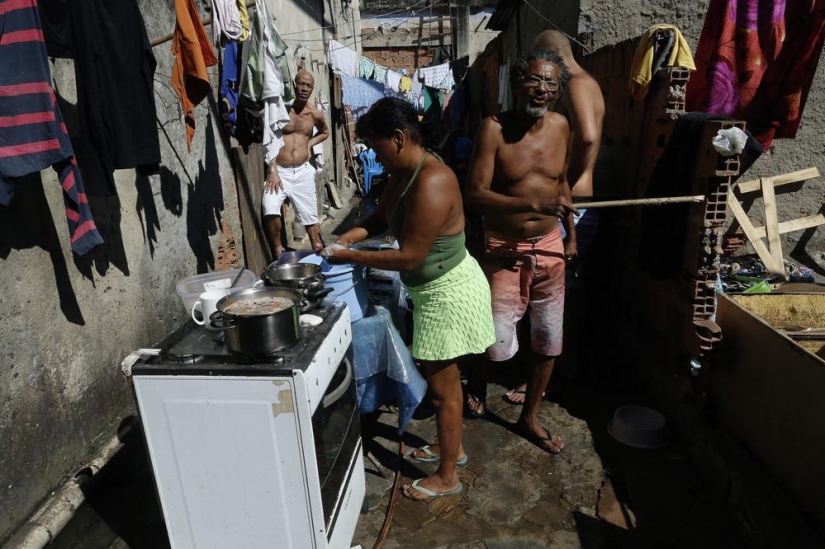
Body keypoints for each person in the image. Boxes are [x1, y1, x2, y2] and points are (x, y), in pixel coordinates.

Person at [321, 97, 495, 500]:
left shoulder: (432, 180)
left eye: (376, 147)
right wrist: (347, 237)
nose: (374, 156)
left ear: (398, 138)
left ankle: (448, 477)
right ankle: (452, 448)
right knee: (443, 382)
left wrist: (349, 256)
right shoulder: (402, 173)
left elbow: (411, 256)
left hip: (448, 293)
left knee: (444, 390)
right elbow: (381, 220)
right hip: (431, 291)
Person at [465, 48, 576, 454]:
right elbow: (474, 194)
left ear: (557, 92)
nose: (541, 89)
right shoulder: (493, 129)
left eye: (550, 83)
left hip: (550, 245)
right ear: (516, 84)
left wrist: (571, 236)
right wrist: (530, 204)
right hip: (503, 247)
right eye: (534, 79)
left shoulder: (561, 127)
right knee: (494, 340)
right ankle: (478, 377)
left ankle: (530, 416)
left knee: (549, 336)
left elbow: (562, 185)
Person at [496, 30, 606, 406]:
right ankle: (557, 370)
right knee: (563, 294)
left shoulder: (575, 84)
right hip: (578, 202)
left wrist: (561, 186)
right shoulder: (587, 83)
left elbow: (587, 138)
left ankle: (549, 377)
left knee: (555, 295)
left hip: (575, 202)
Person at [262, 70, 329, 258]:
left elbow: (325, 132)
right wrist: (272, 169)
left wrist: (310, 143)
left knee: (310, 218)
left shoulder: (315, 114)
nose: (304, 89)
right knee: (270, 208)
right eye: (301, 84)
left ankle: (318, 252)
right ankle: (278, 251)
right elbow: (269, 136)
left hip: (302, 172)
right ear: (294, 85)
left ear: (312, 89)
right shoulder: (281, 109)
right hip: (279, 171)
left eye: (308, 86)